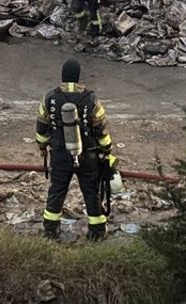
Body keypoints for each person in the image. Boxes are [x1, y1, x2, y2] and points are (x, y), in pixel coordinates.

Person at [35, 59, 115, 241]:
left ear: (63, 76)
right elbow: (101, 128)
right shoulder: (91, 98)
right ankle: (96, 232)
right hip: (88, 155)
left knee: (57, 190)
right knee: (91, 191)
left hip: (60, 155)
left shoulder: (49, 97)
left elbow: (41, 127)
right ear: (78, 77)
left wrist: (42, 146)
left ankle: (50, 230)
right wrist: (106, 149)